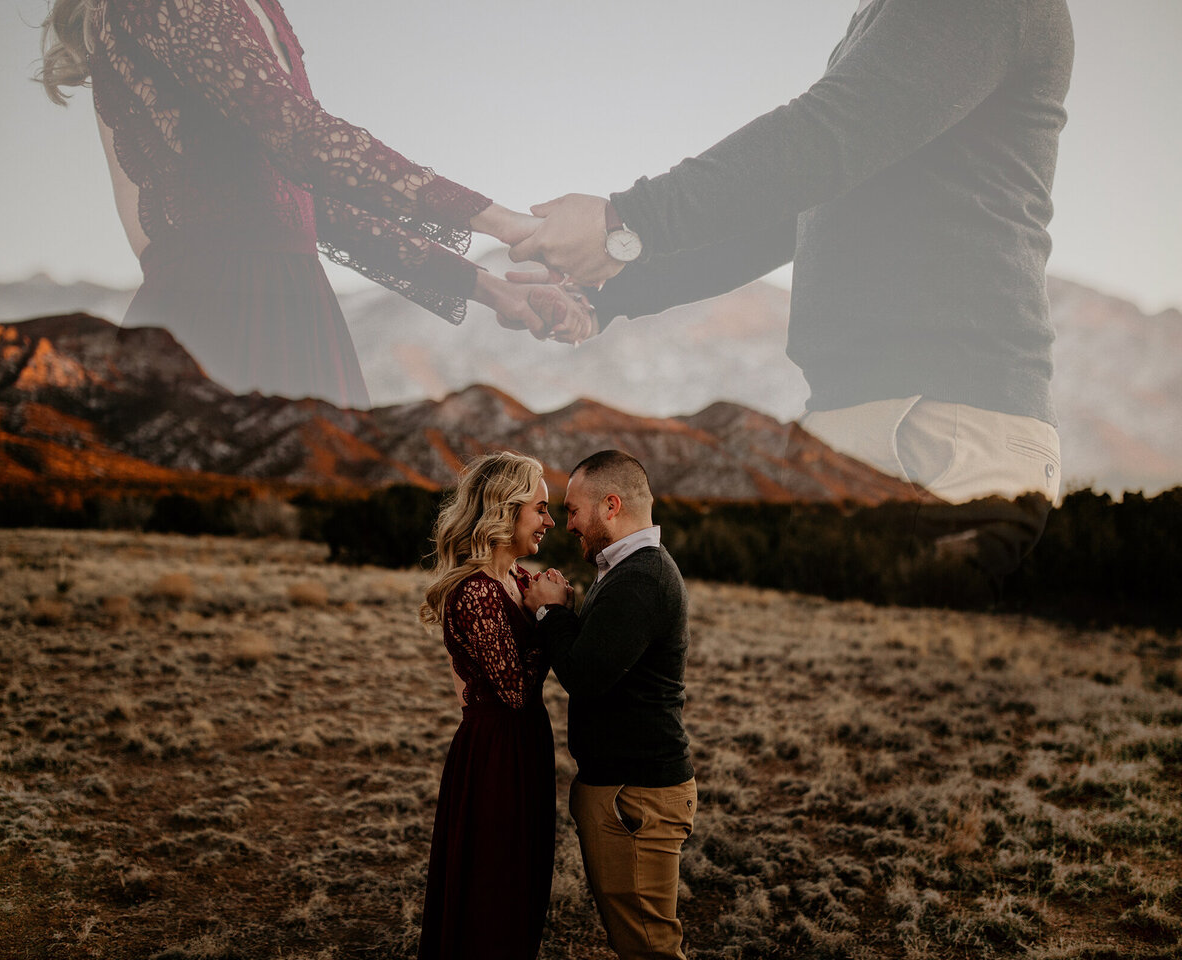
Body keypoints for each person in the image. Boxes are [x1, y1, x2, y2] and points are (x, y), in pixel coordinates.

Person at [510, 0, 1073, 590]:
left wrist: (626, 220)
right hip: (893, 428)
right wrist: (608, 291)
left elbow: (831, 134)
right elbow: (796, 206)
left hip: (934, 430)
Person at [37, 0, 589, 409]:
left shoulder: (259, 8)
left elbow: (306, 199)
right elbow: (305, 141)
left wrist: (491, 289)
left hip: (293, 303)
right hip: (220, 308)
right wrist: (508, 224)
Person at [523, 450, 696, 960]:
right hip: (629, 794)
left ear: (611, 505)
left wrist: (553, 613)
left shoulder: (641, 577)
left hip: (635, 800)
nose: (567, 523)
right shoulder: (626, 571)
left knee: (650, 949)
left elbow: (585, 675)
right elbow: (600, 657)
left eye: (574, 510)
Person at [417, 451, 558, 960]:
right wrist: (551, 614)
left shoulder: (519, 581)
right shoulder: (474, 591)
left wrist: (543, 606)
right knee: (492, 881)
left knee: (524, 875)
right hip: (495, 752)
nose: (550, 520)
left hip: (527, 743)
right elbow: (515, 690)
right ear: (506, 508)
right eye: (540, 508)